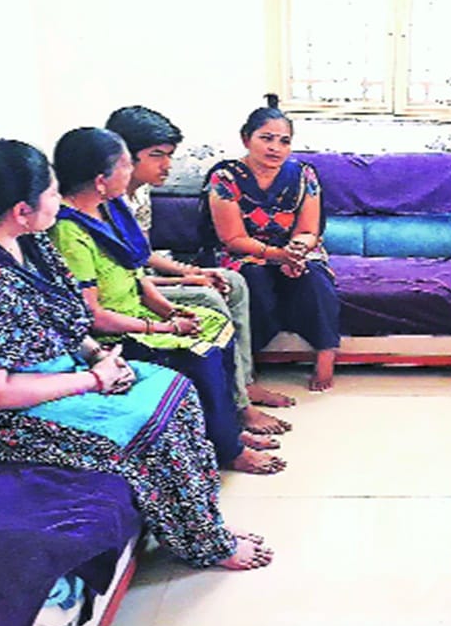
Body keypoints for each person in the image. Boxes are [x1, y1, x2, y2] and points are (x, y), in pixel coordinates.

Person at [0, 139, 271, 574]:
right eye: (52, 193)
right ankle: (205, 542)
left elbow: (63, 317)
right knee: (144, 425)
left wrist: (97, 356)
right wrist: (95, 380)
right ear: (20, 209)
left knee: (175, 390)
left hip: (44, 377)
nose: (60, 199)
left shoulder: (25, 241)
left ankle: (200, 525)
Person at [48, 127, 286, 475]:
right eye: (126, 165)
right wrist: (163, 326)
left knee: (215, 327)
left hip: (141, 314)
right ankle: (229, 450)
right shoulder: (69, 232)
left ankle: (229, 429)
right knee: (200, 355)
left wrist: (169, 308)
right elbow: (93, 316)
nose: (131, 174)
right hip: (115, 336)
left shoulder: (110, 210)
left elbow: (136, 274)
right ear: (101, 179)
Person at [104, 105, 295, 434]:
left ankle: (243, 382)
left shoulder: (141, 193)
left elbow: (144, 255)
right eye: (157, 156)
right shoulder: (104, 201)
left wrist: (190, 273)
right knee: (210, 299)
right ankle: (239, 407)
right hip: (129, 289)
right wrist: (188, 278)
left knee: (232, 281)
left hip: (143, 278)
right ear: (124, 156)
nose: (168, 165)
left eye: (169, 155)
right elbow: (129, 275)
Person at [205, 94, 341, 391]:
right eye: (266, 138)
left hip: (292, 249)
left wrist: (297, 250)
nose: (275, 148)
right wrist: (279, 256)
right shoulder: (225, 178)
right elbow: (233, 238)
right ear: (246, 139)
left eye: (284, 141)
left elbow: (309, 229)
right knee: (251, 278)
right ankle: (247, 365)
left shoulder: (304, 175)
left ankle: (326, 354)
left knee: (315, 276)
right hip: (247, 251)